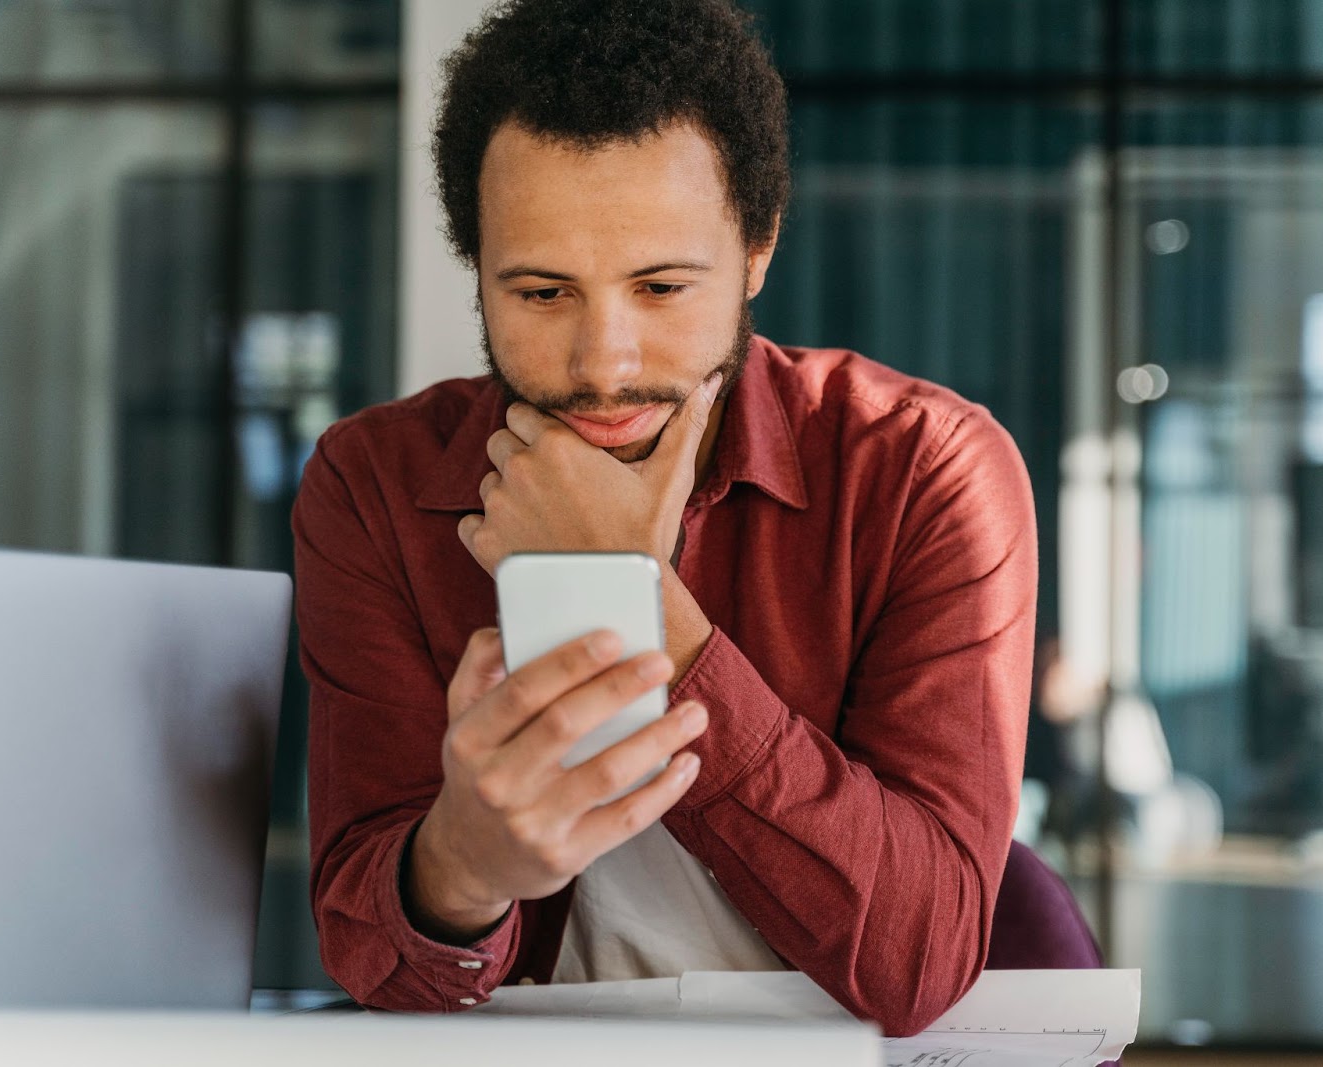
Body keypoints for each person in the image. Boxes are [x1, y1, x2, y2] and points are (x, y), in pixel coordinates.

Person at [292, 0, 1036, 1038]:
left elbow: (917, 956)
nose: (606, 362)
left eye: (660, 286)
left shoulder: (922, 468)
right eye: (544, 292)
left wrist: (632, 589)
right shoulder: (373, 482)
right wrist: (463, 864)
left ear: (757, 251)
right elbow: (375, 959)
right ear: (477, 265)